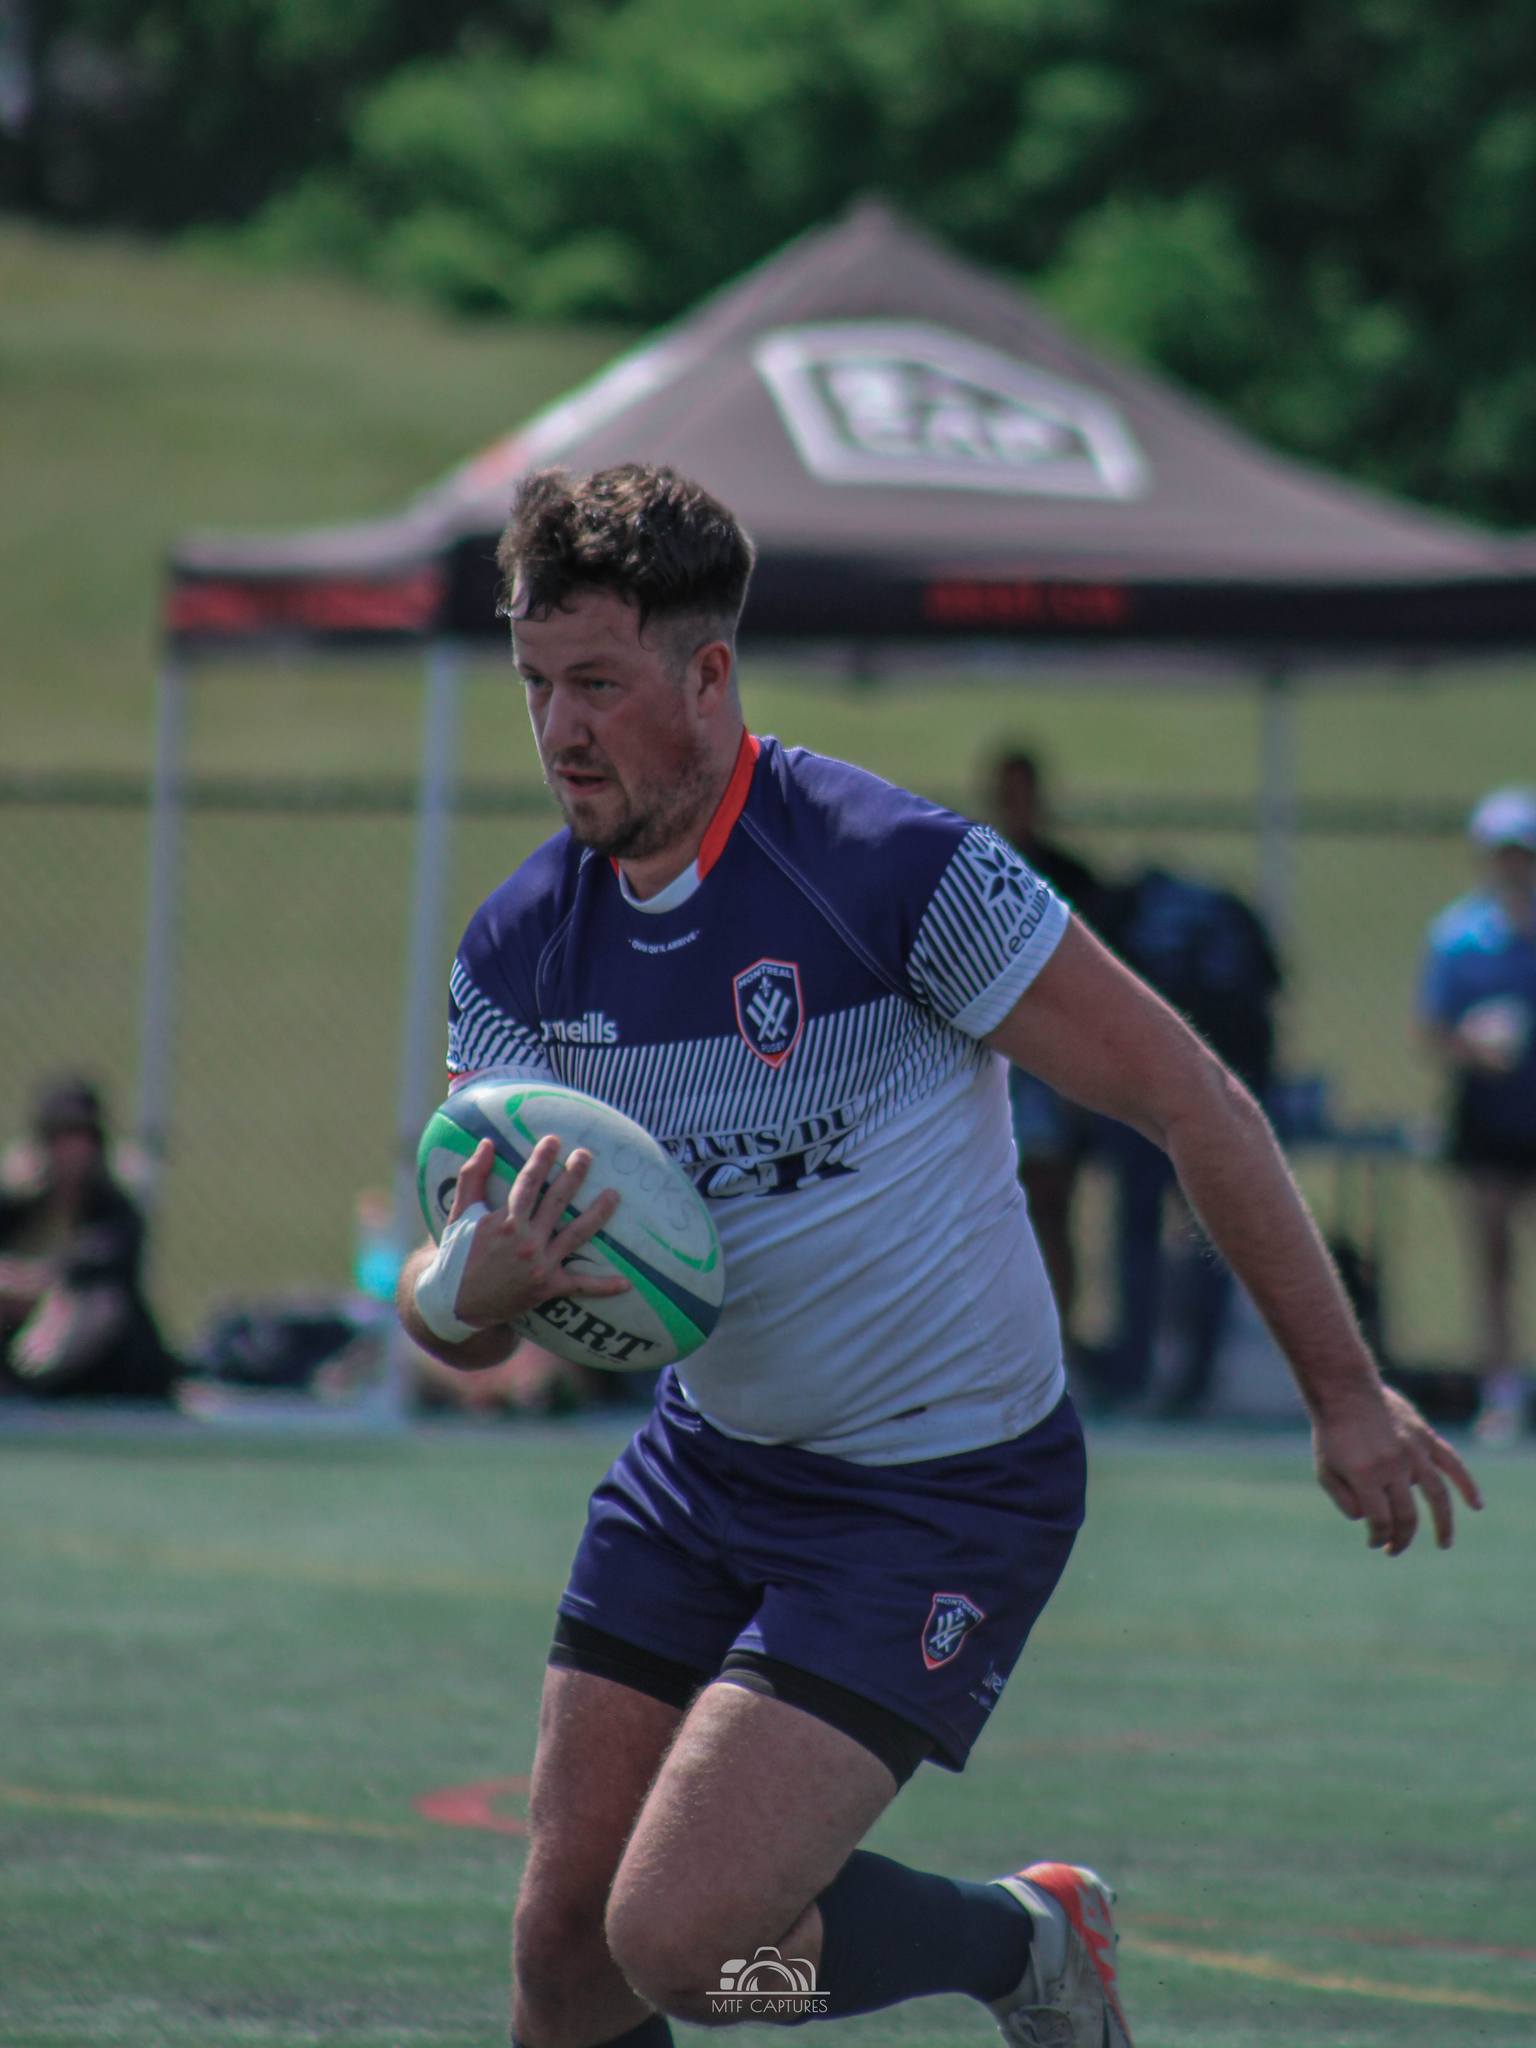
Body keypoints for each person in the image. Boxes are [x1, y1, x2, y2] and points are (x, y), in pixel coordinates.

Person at [395, 464, 1480, 2048]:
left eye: (601, 686)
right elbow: (461, 1299)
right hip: (706, 1465)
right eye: (537, 686)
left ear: (708, 677)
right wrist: (471, 1304)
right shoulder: (518, 953)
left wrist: (1344, 1391)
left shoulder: (891, 873)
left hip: (941, 1489)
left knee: (686, 1952)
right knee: (567, 1961)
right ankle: (992, 1939)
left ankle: (1011, 1943)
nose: (561, 730)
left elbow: (1192, 1096)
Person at [1091, 866, 1284, 1415]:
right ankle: (1191, 1376)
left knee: (1142, 1235)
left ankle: (1136, 1369)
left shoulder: (1128, 912)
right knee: (1208, 1237)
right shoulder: (1226, 912)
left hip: (1140, 1096)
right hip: (1219, 1095)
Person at [1419, 786, 1536, 1442]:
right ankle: (1502, 1391)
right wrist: (1474, 1043)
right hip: (1488, 1119)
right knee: (1492, 1256)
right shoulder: (1459, 937)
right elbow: (1429, 1028)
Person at [990, 750, 1106, 1340]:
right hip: (991, 1058)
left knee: (1051, 1205)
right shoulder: (972, 868)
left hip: (1047, 1063)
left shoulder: (1066, 878)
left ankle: (1061, 1339)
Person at [0, 1077, 181, 1403]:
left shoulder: (114, 1211)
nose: (71, 1151)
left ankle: (41, 1389)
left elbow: (95, 1273)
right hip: (18, 1331)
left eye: (81, 1137)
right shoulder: (17, 1206)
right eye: (61, 1137)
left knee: (96, 1305)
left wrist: (37, 1286)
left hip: (102, 1362)